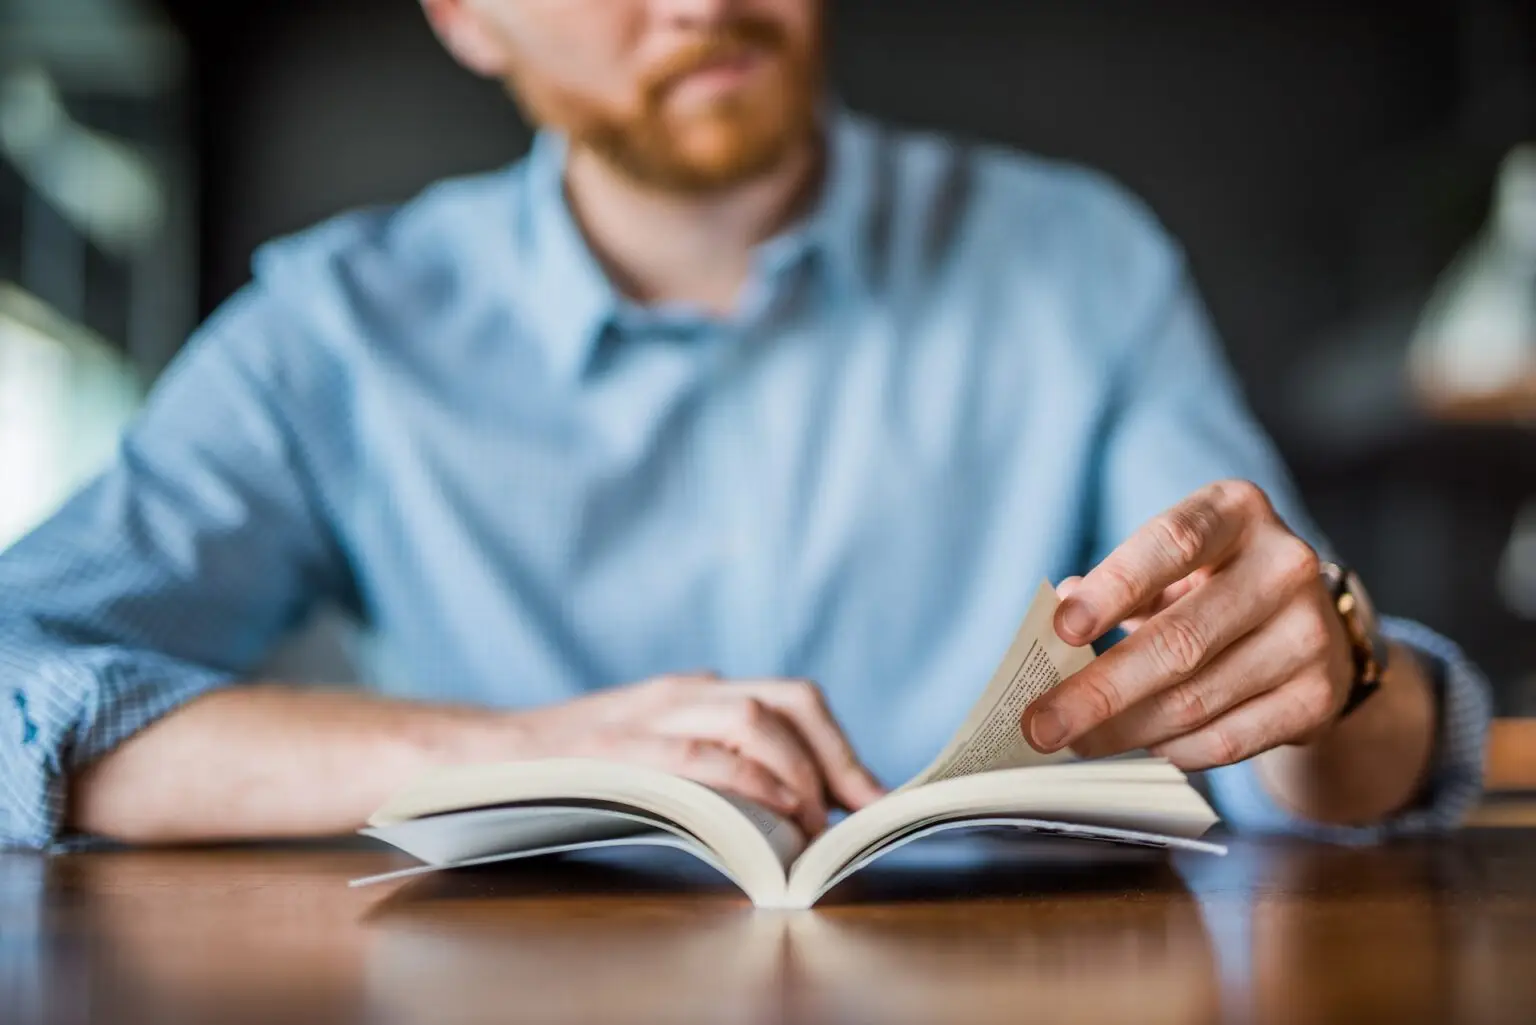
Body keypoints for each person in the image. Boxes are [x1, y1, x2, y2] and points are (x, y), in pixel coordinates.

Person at [0, 0, 1489, 849]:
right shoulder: (330, 330)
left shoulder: (1075, 263)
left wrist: (1339, 673)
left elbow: (1301, 763)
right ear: (466, 15)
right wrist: (526, 752)